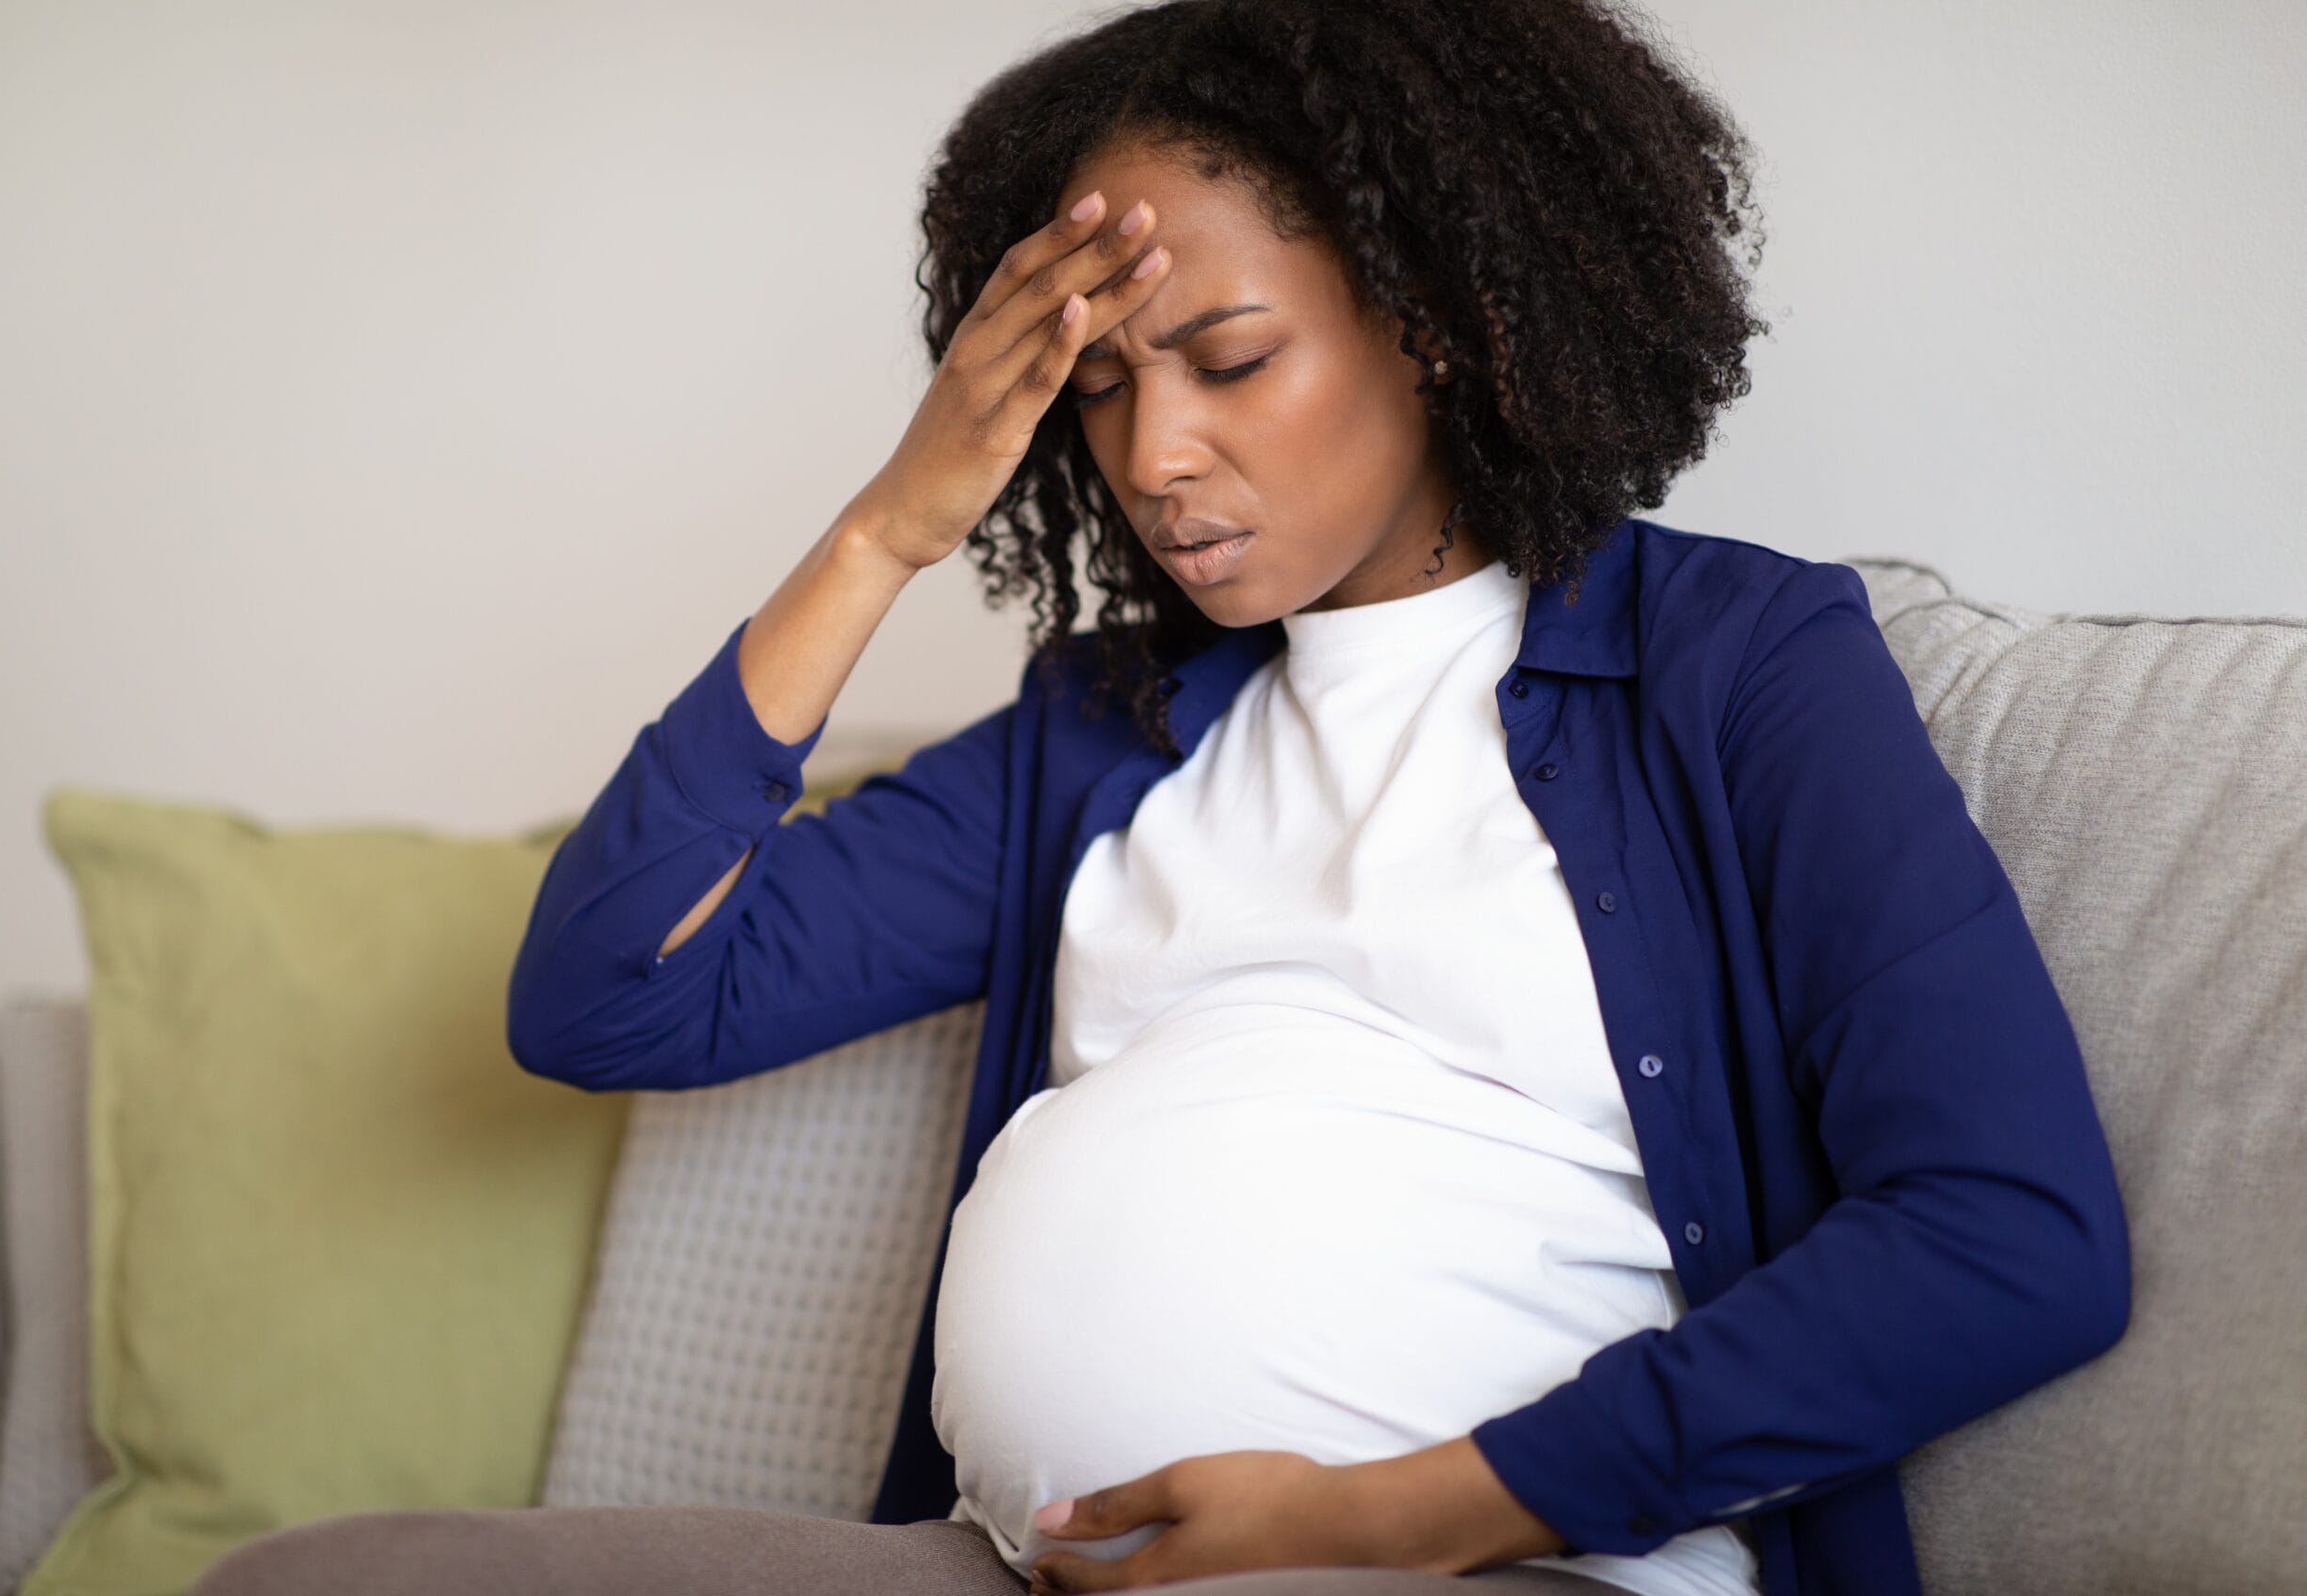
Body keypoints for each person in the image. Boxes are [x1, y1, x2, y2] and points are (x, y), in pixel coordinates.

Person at [193, 0, 2130, 1593]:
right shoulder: (1103, 728)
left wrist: (1384, 1508)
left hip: (1507, 1565)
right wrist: (884, 530)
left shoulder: (1733, 664)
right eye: (1100, 385)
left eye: (1224, 358)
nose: (1152, 451)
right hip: (1025, 1567)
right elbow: (611, 995)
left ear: (1433, 314)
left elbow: (2008, 1231)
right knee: (314, 1580)